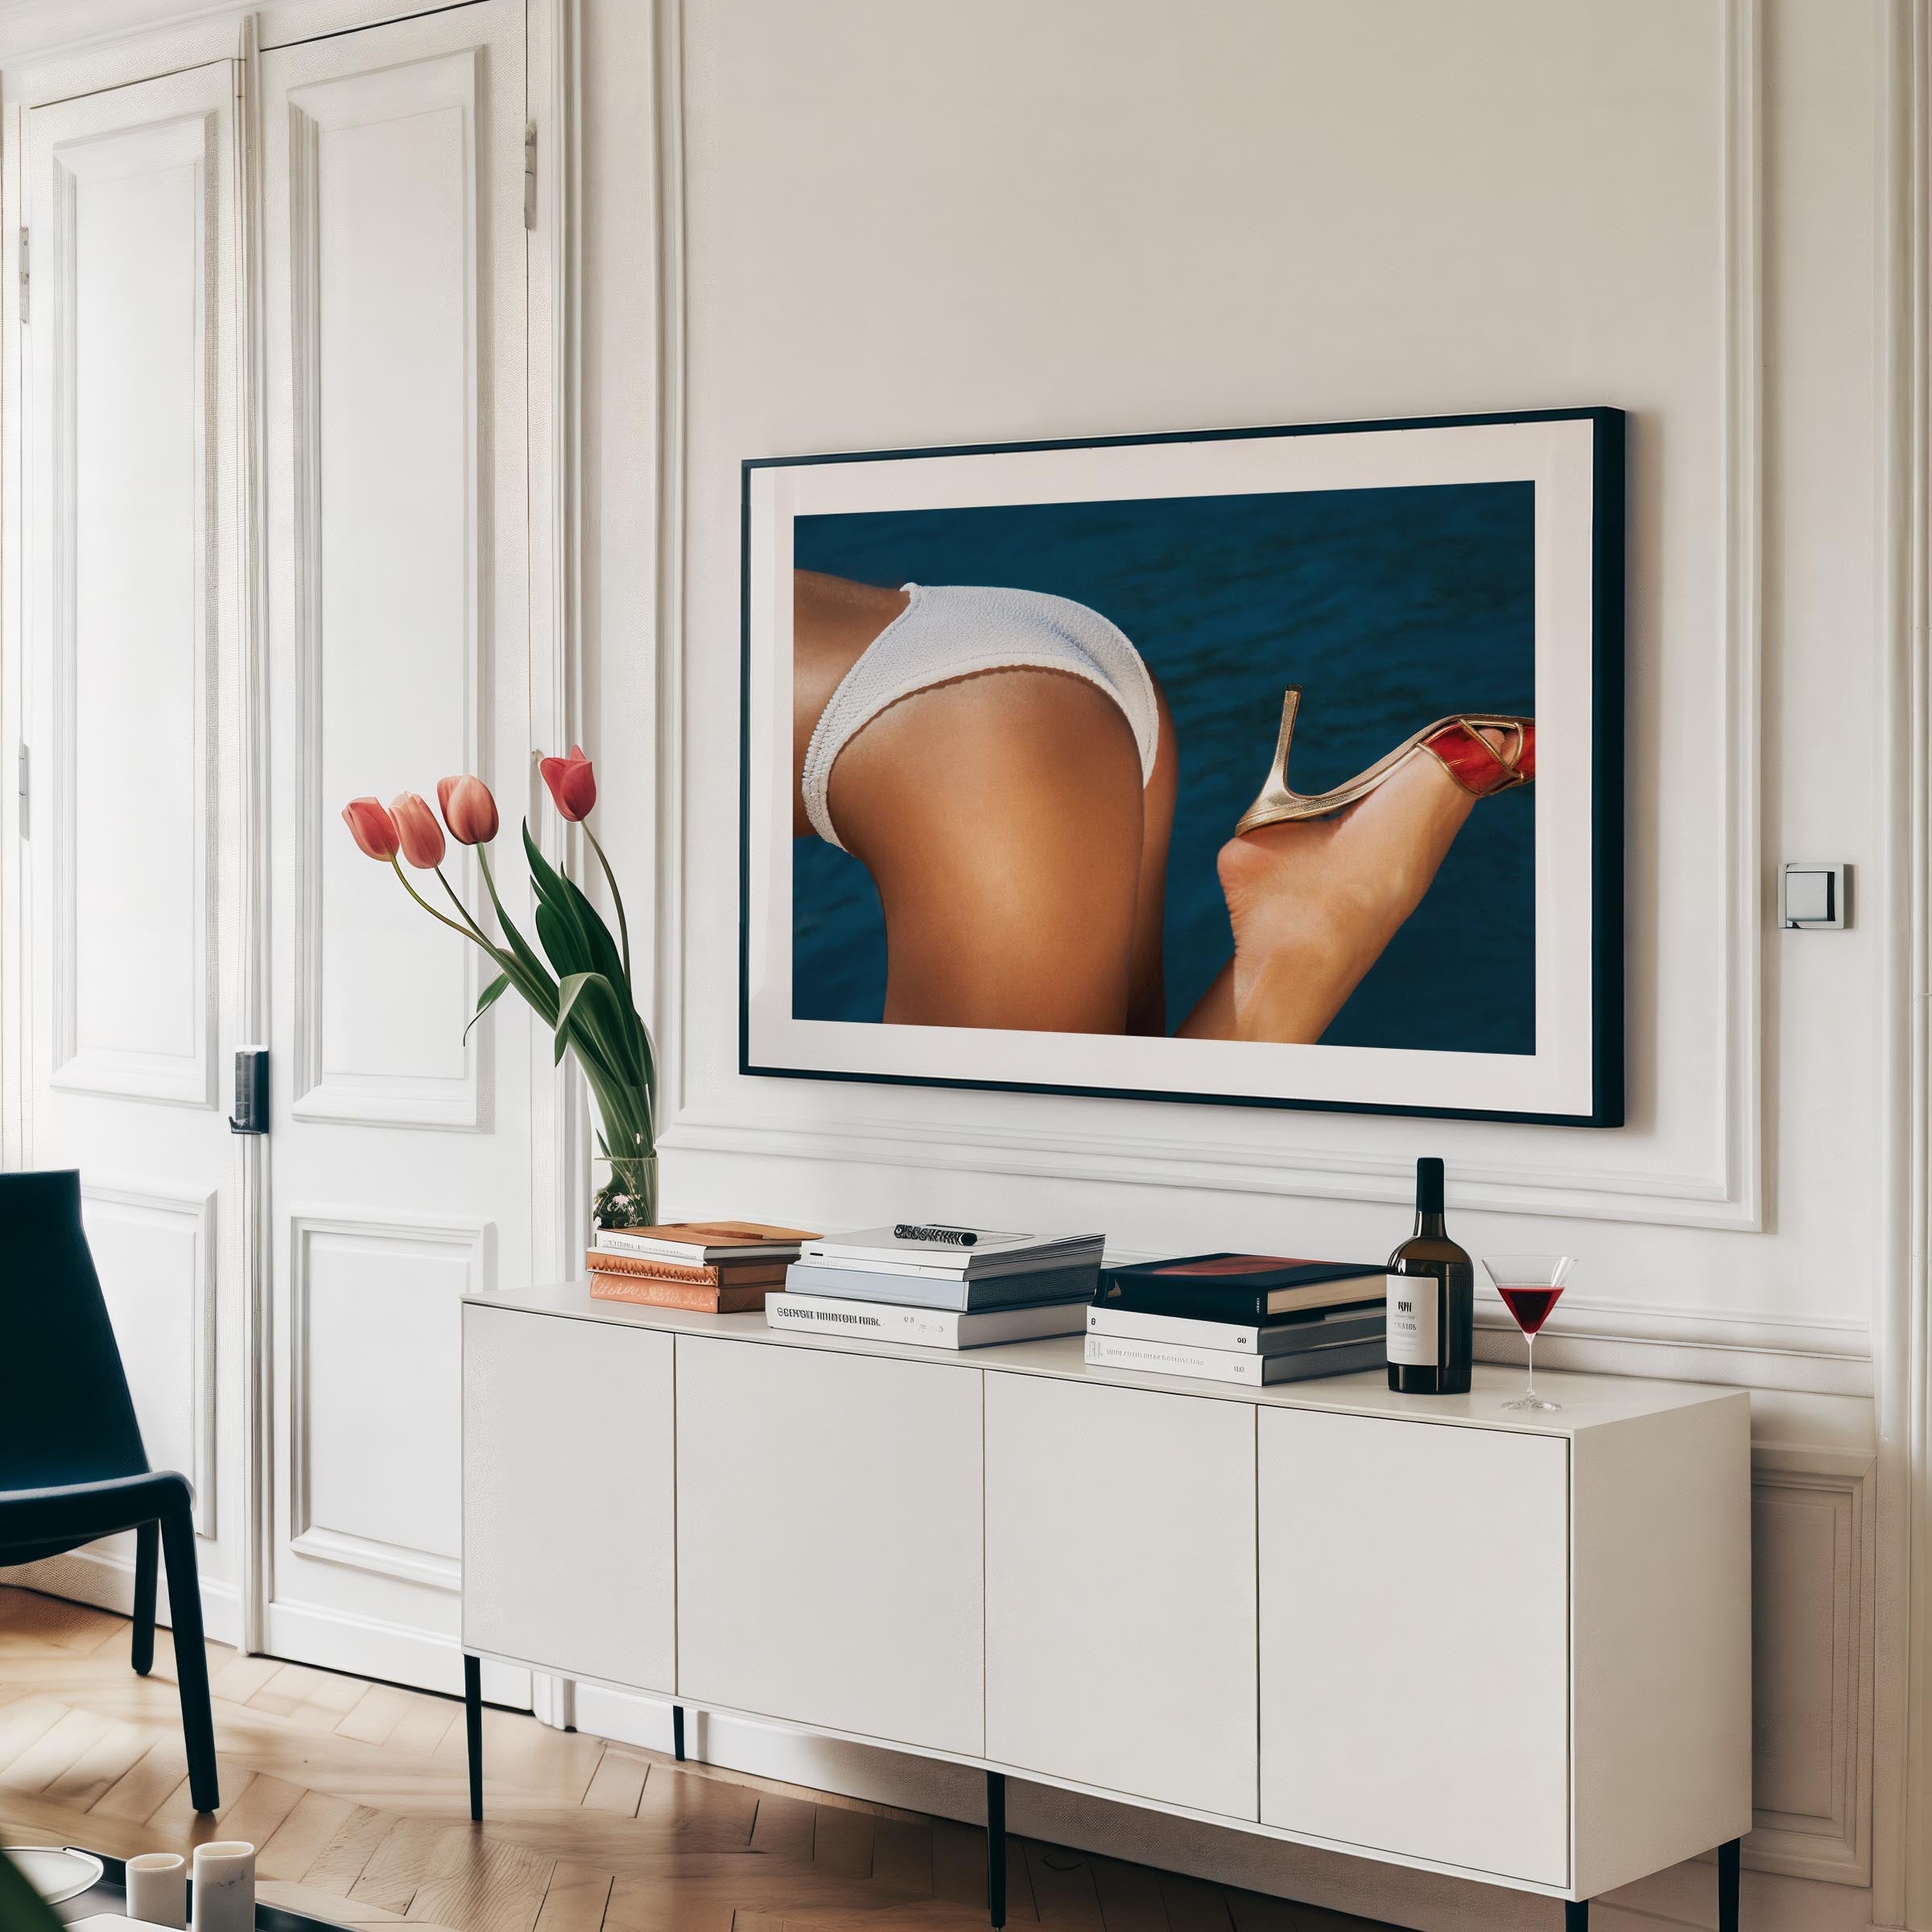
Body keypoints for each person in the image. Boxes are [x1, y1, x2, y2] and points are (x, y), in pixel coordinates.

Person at [792, 569, 1533, 1046]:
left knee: (1002, 1217)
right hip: (1023, 649)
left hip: (955, 732)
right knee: (1105, 1133)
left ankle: (1315, 943)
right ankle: (1310, 930)